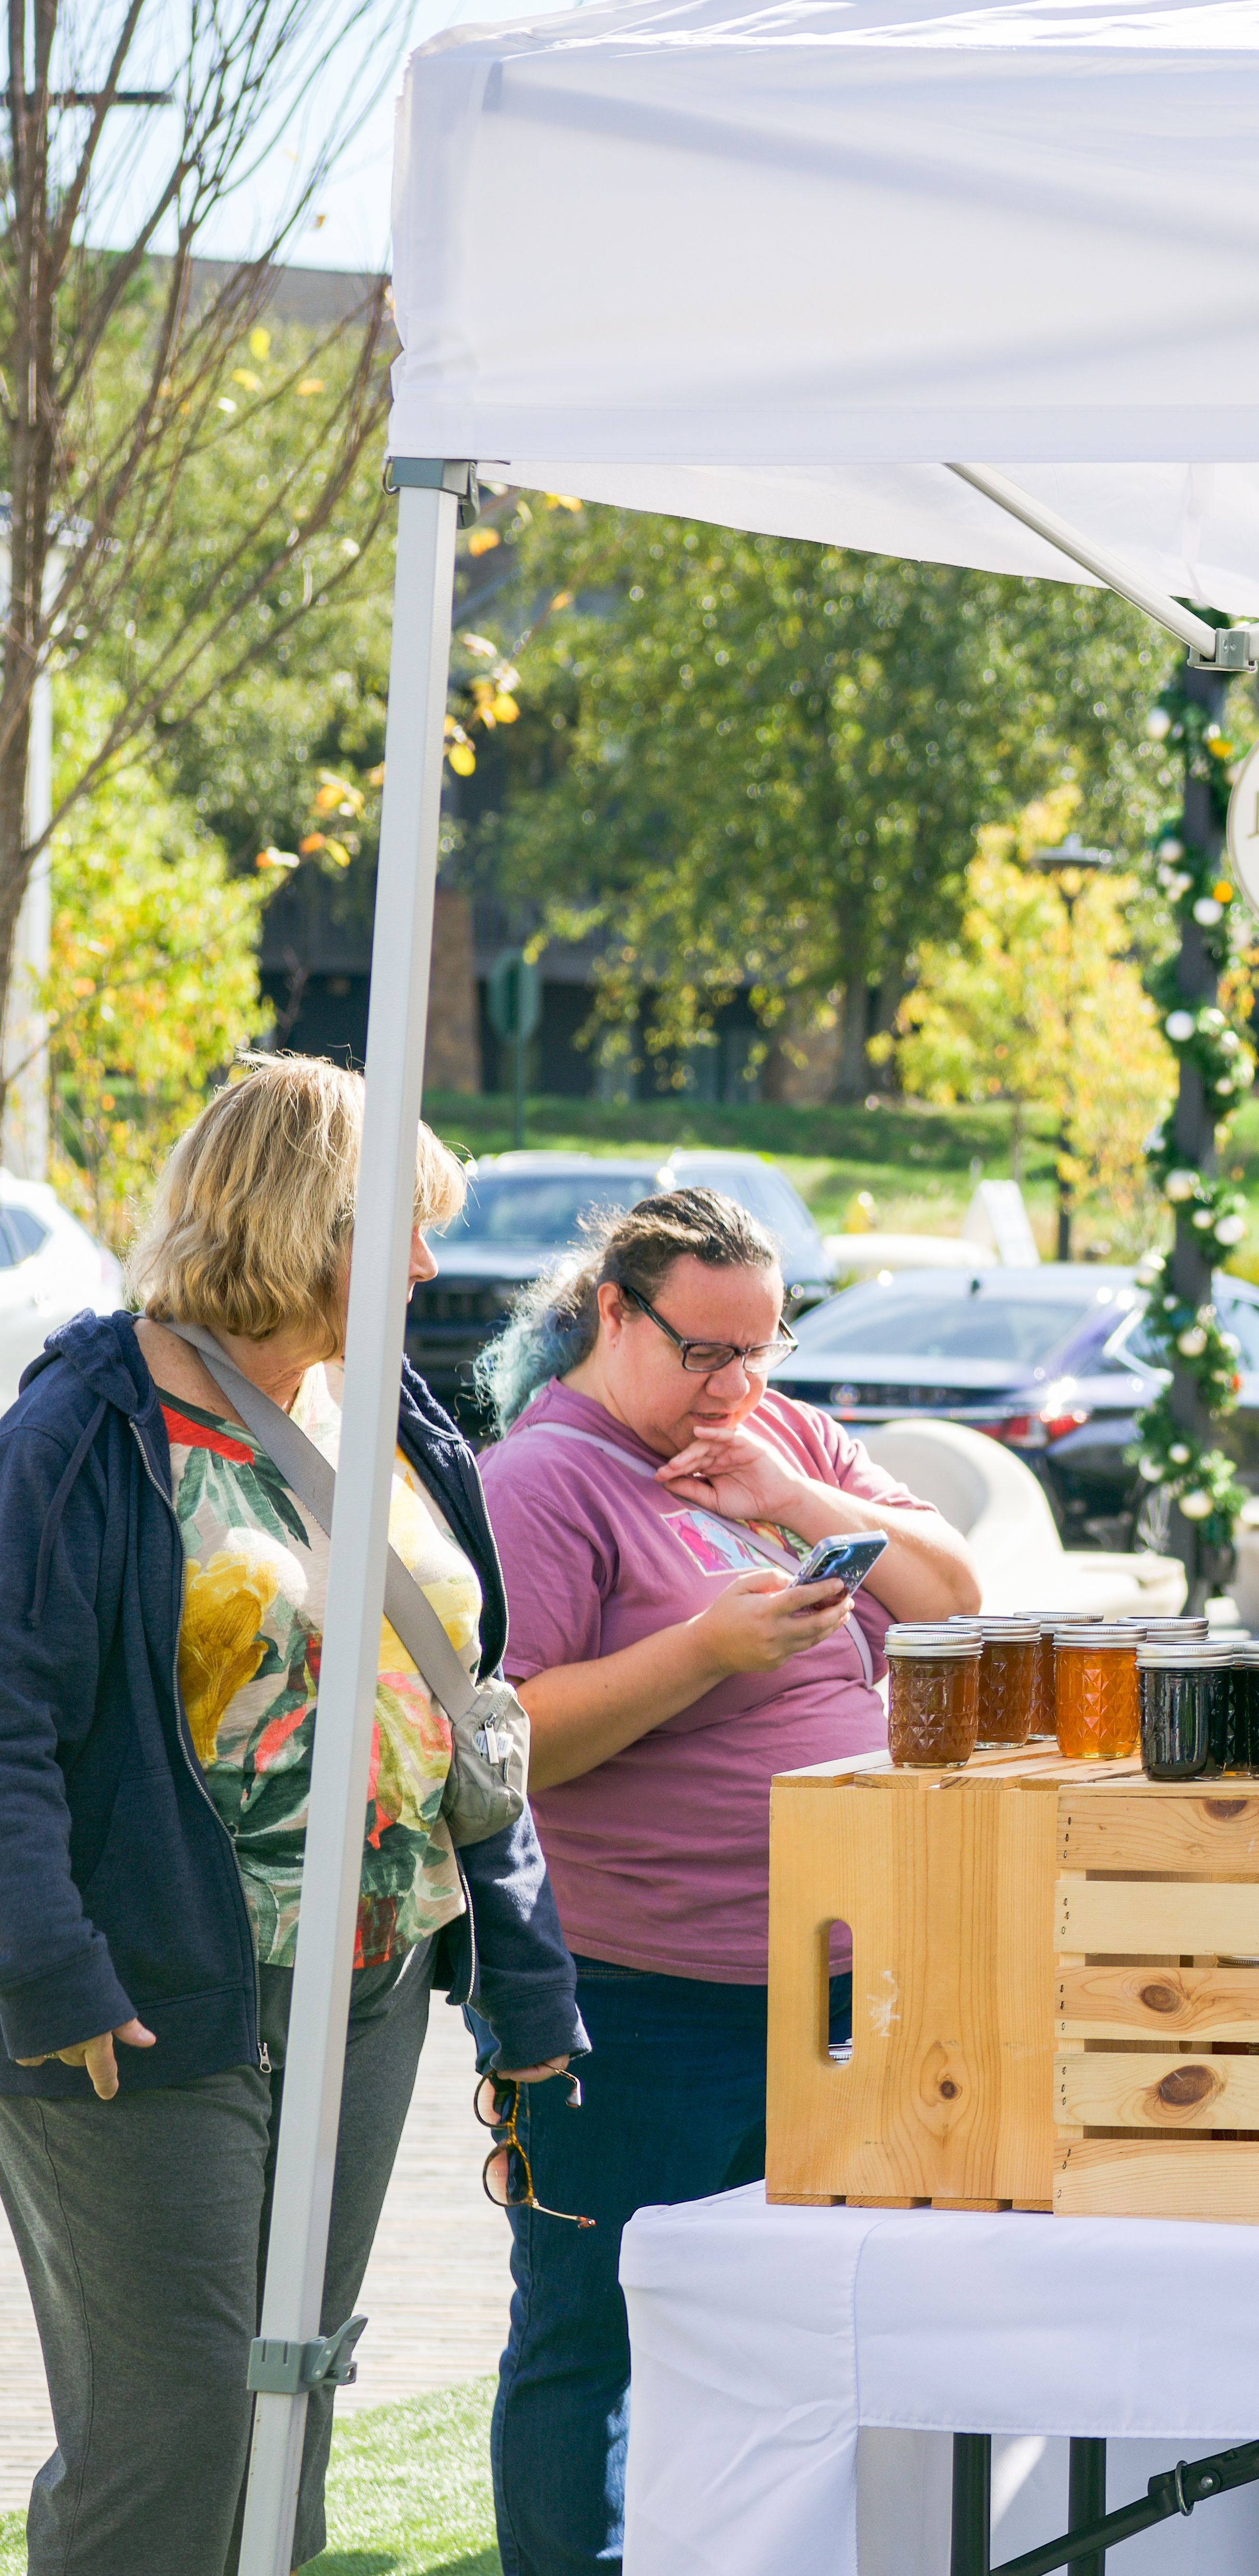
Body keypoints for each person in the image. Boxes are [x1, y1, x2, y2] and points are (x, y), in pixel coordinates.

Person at [0, 1053, 583, 2571]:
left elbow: (473, 1695)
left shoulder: (389, 1409)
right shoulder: (86, 1424)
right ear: (307, 1222)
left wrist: (522, 1972)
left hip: (373, 1977)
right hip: (140, 1991)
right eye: (406, 1224)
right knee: (177, 2431)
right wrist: (49, 1971)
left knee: (293, 2410)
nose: (431, 1264)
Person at [474, 1185, 983, 2576]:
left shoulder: (780, 1436)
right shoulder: (543, 1481)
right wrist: (704, 1652)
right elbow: (505, 1744)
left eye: (762, 1349)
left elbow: (957, 1597)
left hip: (831, 1988)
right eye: (704, 1351)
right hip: (637, 2004)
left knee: (799, 2330)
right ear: (611, 1314)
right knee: (592, 2328)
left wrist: (795, 1492)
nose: (736, 1383)